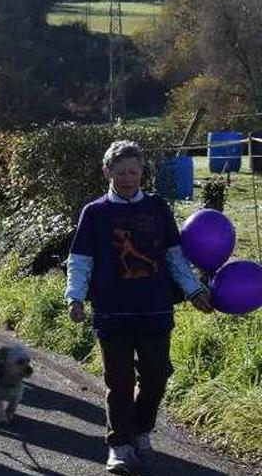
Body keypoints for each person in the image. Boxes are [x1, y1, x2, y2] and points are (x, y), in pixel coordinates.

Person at [64, 140, 213, 474]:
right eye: (120, 172)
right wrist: (75, 297)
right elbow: (80, 260)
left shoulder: (158, 207)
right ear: (107, 172)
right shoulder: (96, 212)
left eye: (133, 171)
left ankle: (142, 431)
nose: (127, 178)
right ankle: (118, 445)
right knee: (119, 381)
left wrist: (193, 290)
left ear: (142, 171)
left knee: (157, 376)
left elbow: (175, 257)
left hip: (155, 309)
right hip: (112, 311)